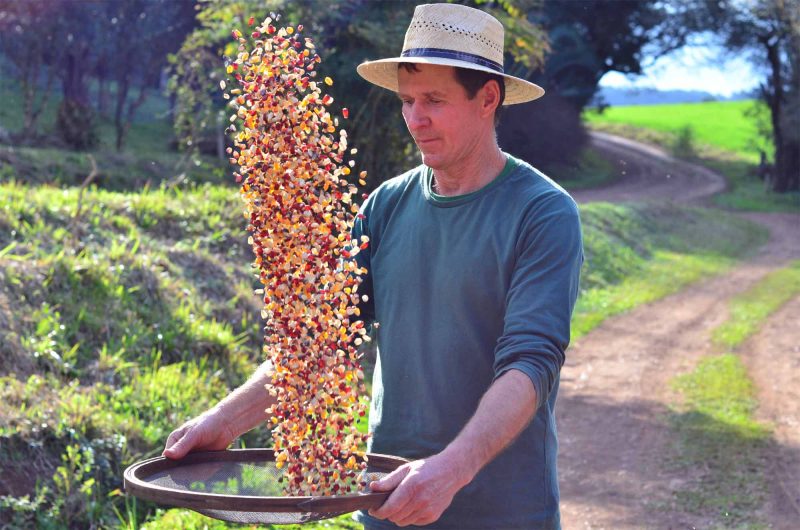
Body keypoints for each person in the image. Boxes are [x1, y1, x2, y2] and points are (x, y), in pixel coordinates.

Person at [164, 4, 583, 529]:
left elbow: (531, 363)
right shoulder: (385, 207)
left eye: (434, 100)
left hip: (499, 509)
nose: (415, 119)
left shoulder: (541, 212)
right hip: (388, 501)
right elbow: (320, 343)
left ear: (488, 98)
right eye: (407, 101)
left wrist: (449, 471)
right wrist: (223, 421)